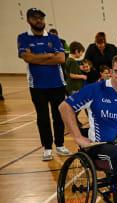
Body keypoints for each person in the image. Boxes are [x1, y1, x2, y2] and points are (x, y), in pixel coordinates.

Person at [59, 54, 117, 203]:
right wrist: (77, 137)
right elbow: (64, 107)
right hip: (100, 145)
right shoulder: (95, 90)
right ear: (111, 71)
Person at [17, 8, 70, 161]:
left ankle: (60, 144)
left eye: (41, 17)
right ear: (28, 20)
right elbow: (27, 58)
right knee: (43, 118)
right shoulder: (23, 37)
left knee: (59, 116)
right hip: (37, 86)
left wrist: (37, 57)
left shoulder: (53, 38)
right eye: (35, 18)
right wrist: (48, 55)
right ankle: (47, 148)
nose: (39, 20)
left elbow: (60, 59)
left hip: (57, 84)